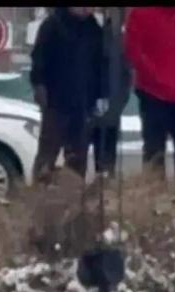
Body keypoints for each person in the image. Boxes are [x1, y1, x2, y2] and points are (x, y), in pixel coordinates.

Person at [124, 6, 175, 184]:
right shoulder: (140, 13)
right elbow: (134, 51)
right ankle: (155, 199)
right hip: (153, 93)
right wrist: (156, 77)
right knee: (155, 152)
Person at [31, 6, 105, 182]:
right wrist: (40, 87)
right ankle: (40, 195)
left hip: (84, 104)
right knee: (47, 154)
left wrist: (102, 94)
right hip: (56, 102)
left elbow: (101, 65)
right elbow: (39, 60)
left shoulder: (94, 29)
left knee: (77, 158)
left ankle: (73, 196)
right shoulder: (52, 25)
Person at [91, 9, 131, 178]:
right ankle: (101, 173)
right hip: (93, 96)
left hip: (114, 95)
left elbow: (125, 71)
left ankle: (106, 173)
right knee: (96, 136)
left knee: (109, 135)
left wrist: (121, 97)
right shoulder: (95, 32)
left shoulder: (118, 38)